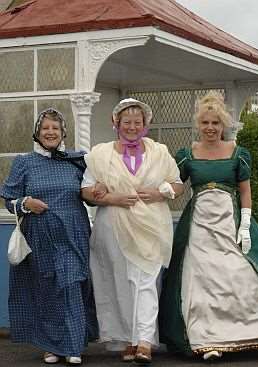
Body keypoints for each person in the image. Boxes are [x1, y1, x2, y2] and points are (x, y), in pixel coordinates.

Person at [159, 92, 258, 360]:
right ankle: (206, 339)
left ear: (223, 125)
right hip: (199, 227)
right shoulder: (187, 154)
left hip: (230, 221)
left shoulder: (238, 153)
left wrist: (245, 224)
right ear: (198, 125)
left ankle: (253, 335)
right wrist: (165, 188)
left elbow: (245, 191)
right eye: (205, 123)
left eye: (215, 123)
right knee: (199, 280)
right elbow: (178, 186)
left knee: (240, 275)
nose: (210, 128)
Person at [81, 98, 183, 364]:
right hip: (112, 227)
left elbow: (177, 184)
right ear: (115, 123)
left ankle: (145, 342)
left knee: (147, 282)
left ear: (146, 124)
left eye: (138, 122)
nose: (132, 127)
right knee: (119, 283)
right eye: (127, 122)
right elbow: (87, 191)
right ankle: (128, 340)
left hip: (150, 226)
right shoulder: (100, 154)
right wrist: (106, 197)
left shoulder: (159, 152)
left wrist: (160, 191)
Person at [0, 108, 97, 365]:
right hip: (39, 235)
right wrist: (26, 203)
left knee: (72, 283)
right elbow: (9, 199)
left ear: (63, 132)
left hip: (73, 233)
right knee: (47, 289)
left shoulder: (78, 160)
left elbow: (90, 192)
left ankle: (74, 344)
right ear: (37, 133)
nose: (50, 132)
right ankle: (51, 345)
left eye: (55, 128)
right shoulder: (24, 162)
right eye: (45, 128)